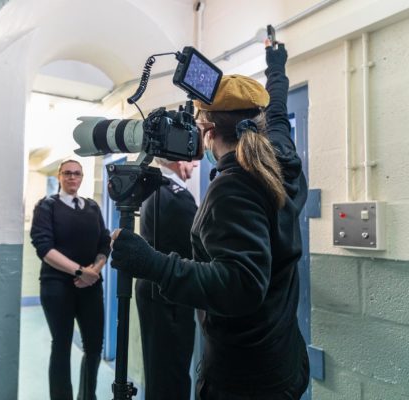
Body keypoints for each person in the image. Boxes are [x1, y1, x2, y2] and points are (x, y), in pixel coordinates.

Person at [110, 40, 309, 399]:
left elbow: (241, 283)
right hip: (284, 361)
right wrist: (276, 66)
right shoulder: (282, 161)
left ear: (206, 130)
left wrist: (151, 263)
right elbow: (277, 111)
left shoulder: (233, 188)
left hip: (245, 377)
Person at [30, 159, 111, 400]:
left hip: (91, 287)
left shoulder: (93, 207)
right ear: (59, 176)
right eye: (67, 173)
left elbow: (104, 243)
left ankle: (88, 396)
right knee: (62, 345)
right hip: (57, 287)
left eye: (76, 173)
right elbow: (44, 247)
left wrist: (93, 271)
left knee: (94, 346)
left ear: (82, 176)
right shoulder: (47, 206)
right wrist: (79, 271)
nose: (72, 177)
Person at [135, 158, 198, 400]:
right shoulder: (173, 195)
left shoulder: (156, 189)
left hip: (157, 290)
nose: (194, 166)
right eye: (191, 159)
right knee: (171, 375)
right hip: (168, 295)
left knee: (160, 370)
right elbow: (196, 245)